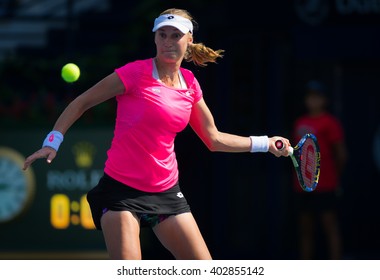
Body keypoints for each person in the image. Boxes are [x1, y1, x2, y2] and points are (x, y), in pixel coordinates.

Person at [23, 8, 290, 260]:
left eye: (175, 35)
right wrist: (53, 141)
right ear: (155, 38)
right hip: (121, 192)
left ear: (189, 40)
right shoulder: (134, 74)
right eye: (162, 35)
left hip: (166, 192)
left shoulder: (190, 84)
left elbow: (214, 139)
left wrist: (265, 143)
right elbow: (82, 102)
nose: (168, 41)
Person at [292, 80, 348, 260]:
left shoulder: (330, 122)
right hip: (302, 185)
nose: (312, 101)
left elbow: (341, 154)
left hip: (326, 185)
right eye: (310, 97)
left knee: (329, 226)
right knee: (305, 229)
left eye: (317, 97)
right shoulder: (300, 121)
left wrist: (334, 177)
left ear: (324, 100)